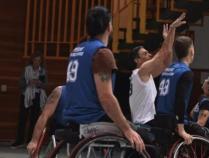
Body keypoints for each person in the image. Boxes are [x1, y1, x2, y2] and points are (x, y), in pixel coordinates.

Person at [63, 6, 145, 152]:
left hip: (71, 116)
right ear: (109, 26)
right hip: (90, 119)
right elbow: (106, 97)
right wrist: (127, 129)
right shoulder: (102, 53)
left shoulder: (76, 50)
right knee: (145, 135)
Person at [129, 13, 186, 125]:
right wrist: (172, 29)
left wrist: (169, 37)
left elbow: (166, 61)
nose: (149, 54)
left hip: (147, 120)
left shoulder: (146, 74)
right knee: (173, 122)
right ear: (137, 60)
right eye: (145, 54)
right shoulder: (141, 71)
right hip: (143, 123)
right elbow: (162, 54)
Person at [156, 36, 195, 145]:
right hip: (173, 120)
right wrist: (181, 129)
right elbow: (180, 101)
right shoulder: (186, 73)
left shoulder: (168, 69)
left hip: (160, 117)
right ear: (191, 51)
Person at [11, 51, 47, 148]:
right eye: (35, 60)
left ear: (41, 62)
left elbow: (44, 85)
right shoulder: (26, 69)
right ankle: (19, 140)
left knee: (34, 119)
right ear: (32, 60)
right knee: (22, 118)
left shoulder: (42, 71)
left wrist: (39, 83)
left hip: (37, 95)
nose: (37, 62)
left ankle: (30, 140)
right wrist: (28, 82)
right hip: (26, 95)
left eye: (39, 61)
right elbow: (20, 84)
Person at [26, 85, 66, 156]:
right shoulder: (59, 91)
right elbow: (44, 115)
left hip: (81, 129)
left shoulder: (88, 93)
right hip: (60, 129)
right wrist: (34, 141)